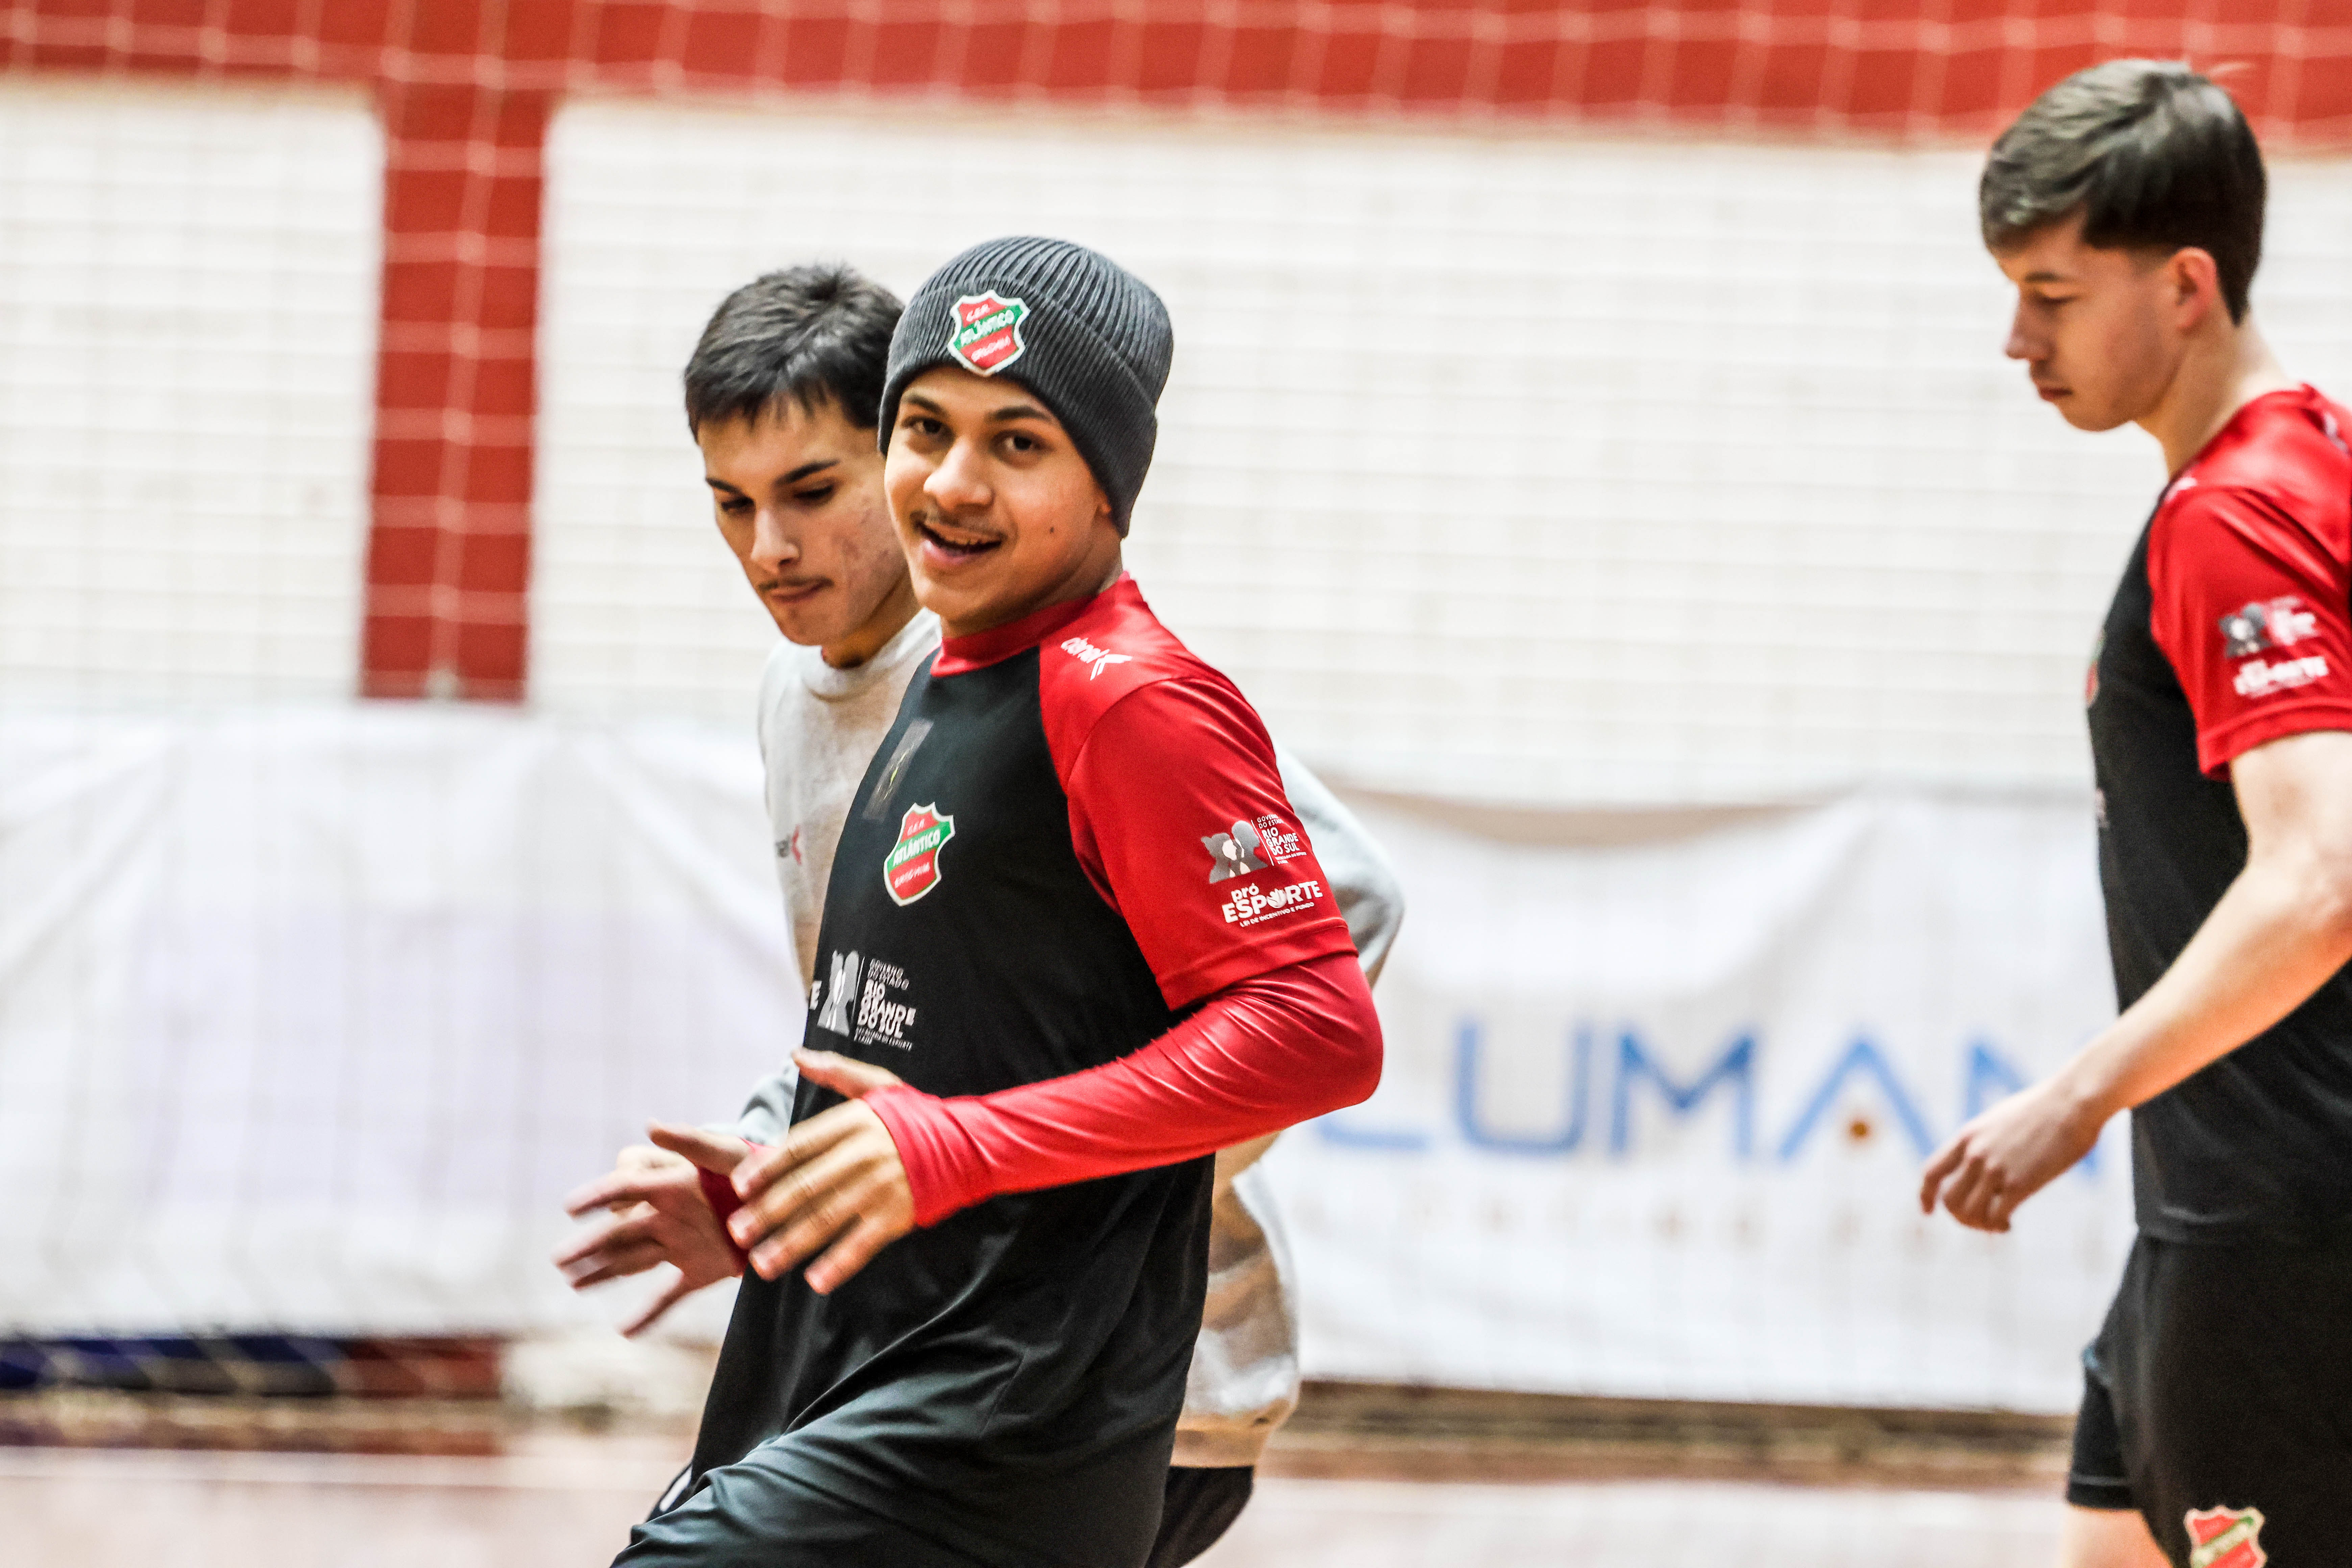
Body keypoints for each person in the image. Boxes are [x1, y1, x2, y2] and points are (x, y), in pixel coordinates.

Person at [562, 239, 1389, 1567]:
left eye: (811, 489)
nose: (772, 547)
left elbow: (1322, 976)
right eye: (928, 430)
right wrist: (786, 1181)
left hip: (1064, 1363)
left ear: (1108, 480)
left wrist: (1004, 1167)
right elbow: (908, 1024)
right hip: (888, 1328)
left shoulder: (1116, 691)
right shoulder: (909, 681)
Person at [1919, 60, 2352, 1568]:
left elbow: (2320, 876)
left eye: (2053, 294)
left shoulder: (2237, 517)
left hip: (2283, 1225)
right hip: (2216, 1204)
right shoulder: (2305, 460)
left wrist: (2076, 1099)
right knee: (2109, 1541)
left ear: (2185, 285)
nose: (2018, 340)